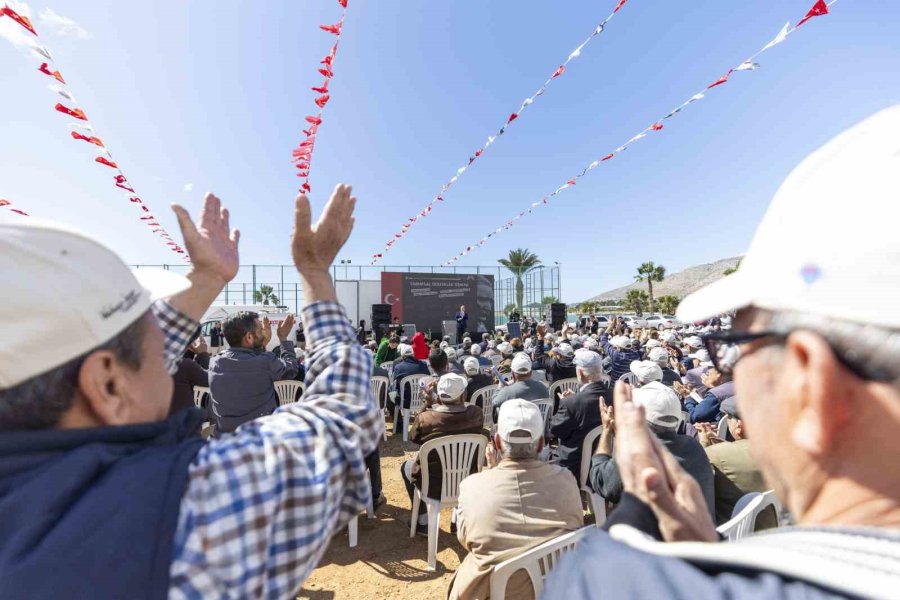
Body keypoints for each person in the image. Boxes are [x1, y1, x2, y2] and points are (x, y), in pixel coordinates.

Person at [544, 107, 900, 599]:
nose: (723, 371)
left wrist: (642, 502)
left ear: (808, 384)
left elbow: (589, 579)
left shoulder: (620, 583)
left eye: (733, 349)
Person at [0, 185, 384, 597]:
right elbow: (343, 414)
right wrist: (314, 272)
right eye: (154, 343)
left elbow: (115, 360)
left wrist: (205, 280)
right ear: (108, 385)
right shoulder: (170, 516)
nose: (171, 360)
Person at [449, 400, 584, 600]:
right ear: (540, 444)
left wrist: (493, 473)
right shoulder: (567, 480)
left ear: (496, 443)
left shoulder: (472, 487)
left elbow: (465, 538)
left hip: (497, 592)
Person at [587, 380, 714, 516]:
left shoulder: (636, 454)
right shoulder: (694, 446)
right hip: (701, 533)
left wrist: (607, 429)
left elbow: (600, 481)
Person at [400, 373, 484, 534]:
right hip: (466, 480)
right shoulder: (476, 414)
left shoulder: (427, 419)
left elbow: (413, 437)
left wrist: (429, 402)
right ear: (463, 395)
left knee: (406, 466)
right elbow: (461, 408)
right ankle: (457, 519)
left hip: (432, 485)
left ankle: (423, 519)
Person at [208, 312, 298, 434]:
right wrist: (283, 338)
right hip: (259, 439)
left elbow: (248, 361)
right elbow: (291, 369)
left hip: (225, 439)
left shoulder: (215, 363)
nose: (263, 333)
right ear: (249, 337)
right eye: (261, 331)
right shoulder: (266, 362)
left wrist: (262, 343)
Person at [695, 397, 775, 529]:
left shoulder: (716, 455)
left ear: (739, 425)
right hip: (779, 531)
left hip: (736, 537)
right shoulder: (789, 451)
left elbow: (696, 472)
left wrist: (703, 443)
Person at [549, 349, 610, 480]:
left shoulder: (571, 403)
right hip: (610, 465)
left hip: (577, 469)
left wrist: (566, 403)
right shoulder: (616, 396)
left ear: (580, 373)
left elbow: (555, 431)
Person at [491, 352, 549, 419]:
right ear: (530, 373)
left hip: (515, 427)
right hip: (539, 427)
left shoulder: (508, 391)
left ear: (512, 374)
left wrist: (500, 386)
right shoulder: (542, 387)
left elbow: (495, 402)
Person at [169, 336, 211, 417]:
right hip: (184, 423)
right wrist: (203, 354)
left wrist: (189, 353)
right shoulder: (184, 365)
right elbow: (211, 379)